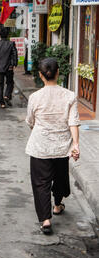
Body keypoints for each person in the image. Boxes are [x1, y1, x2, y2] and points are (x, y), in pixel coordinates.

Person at [25, 58, 80, 235]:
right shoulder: (69, 96)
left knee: (41, 183)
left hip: (40, 146)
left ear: (41, 75)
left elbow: (30, 121)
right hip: (62, 146)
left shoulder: (35, 97)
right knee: (60, 177)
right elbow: (73, 122)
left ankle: (46, 219)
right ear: (58, 73)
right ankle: (57, 205)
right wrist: (76, 144)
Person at [0, 27, 18, 109]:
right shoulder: (11, 44)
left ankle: (2, 103)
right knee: (10, 83)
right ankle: (7, 95)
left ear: (0, 35)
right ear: (8, 35)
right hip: (9, 67)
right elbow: (14, 54)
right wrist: (14, 64)